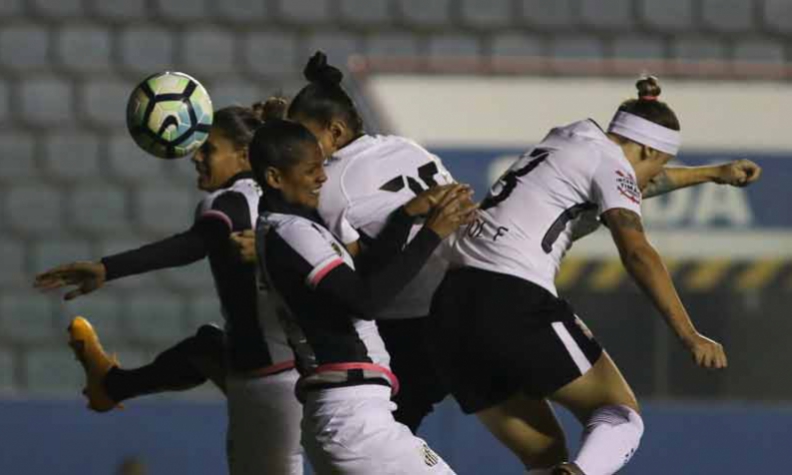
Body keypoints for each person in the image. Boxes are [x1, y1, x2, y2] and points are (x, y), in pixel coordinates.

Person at [427, 76, 762, 475]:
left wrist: (711, 173)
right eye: (659, 163)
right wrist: (689, 334)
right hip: (510, 296)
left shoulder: (571, 139)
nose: (655, 177)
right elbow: (637, 252)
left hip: (447, 309)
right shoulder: (612, 165)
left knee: (545, 456)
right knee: (618, 412)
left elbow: (636, 179)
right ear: (647, 148)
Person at [33, 101, 305, 475]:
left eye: (208, 148)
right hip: (301, 364)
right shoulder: (288, 191)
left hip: (267, 379)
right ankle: (112, 386)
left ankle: (111, 387)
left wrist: (106, 268)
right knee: (206, 347)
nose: (196, 157)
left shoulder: (229, 201)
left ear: (244, 155)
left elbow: (194, 244)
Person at [251, 118, 474, 474]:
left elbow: (363, 282)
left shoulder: (288, 229)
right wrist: (431, 234)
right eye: (310, 170)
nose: (322, 177)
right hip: (354, 418)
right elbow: (366, 301)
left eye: (322, 166)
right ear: (275, 177)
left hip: (351, 415)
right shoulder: (292, 232)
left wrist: (404, 217)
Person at [286, 52, 457, 433]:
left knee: (380, 438)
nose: (297, 147)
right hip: (456, 307)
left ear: (334, 132)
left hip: (404, 328)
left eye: (303, 136)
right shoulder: (409, 147)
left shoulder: (330, 188)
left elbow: (357, 282)